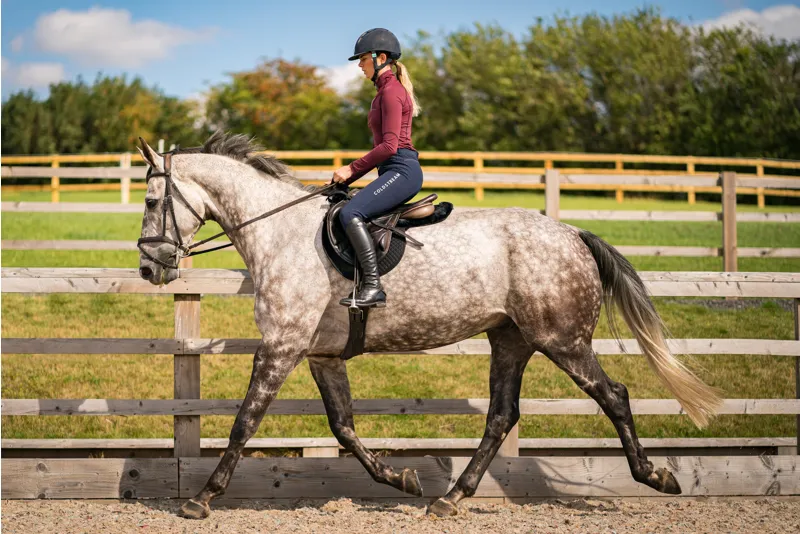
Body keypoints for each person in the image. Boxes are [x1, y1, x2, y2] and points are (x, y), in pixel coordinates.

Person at [332, 28, 424, 308]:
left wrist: (351, 169)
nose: (360, 65)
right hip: (391, 170)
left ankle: (373, 287)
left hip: (402, 171)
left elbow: (389, 147)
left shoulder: (391, 92)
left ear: (380, 58)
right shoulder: (383, 92)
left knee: (351, 213)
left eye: (363, 59)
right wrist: (348, 179)